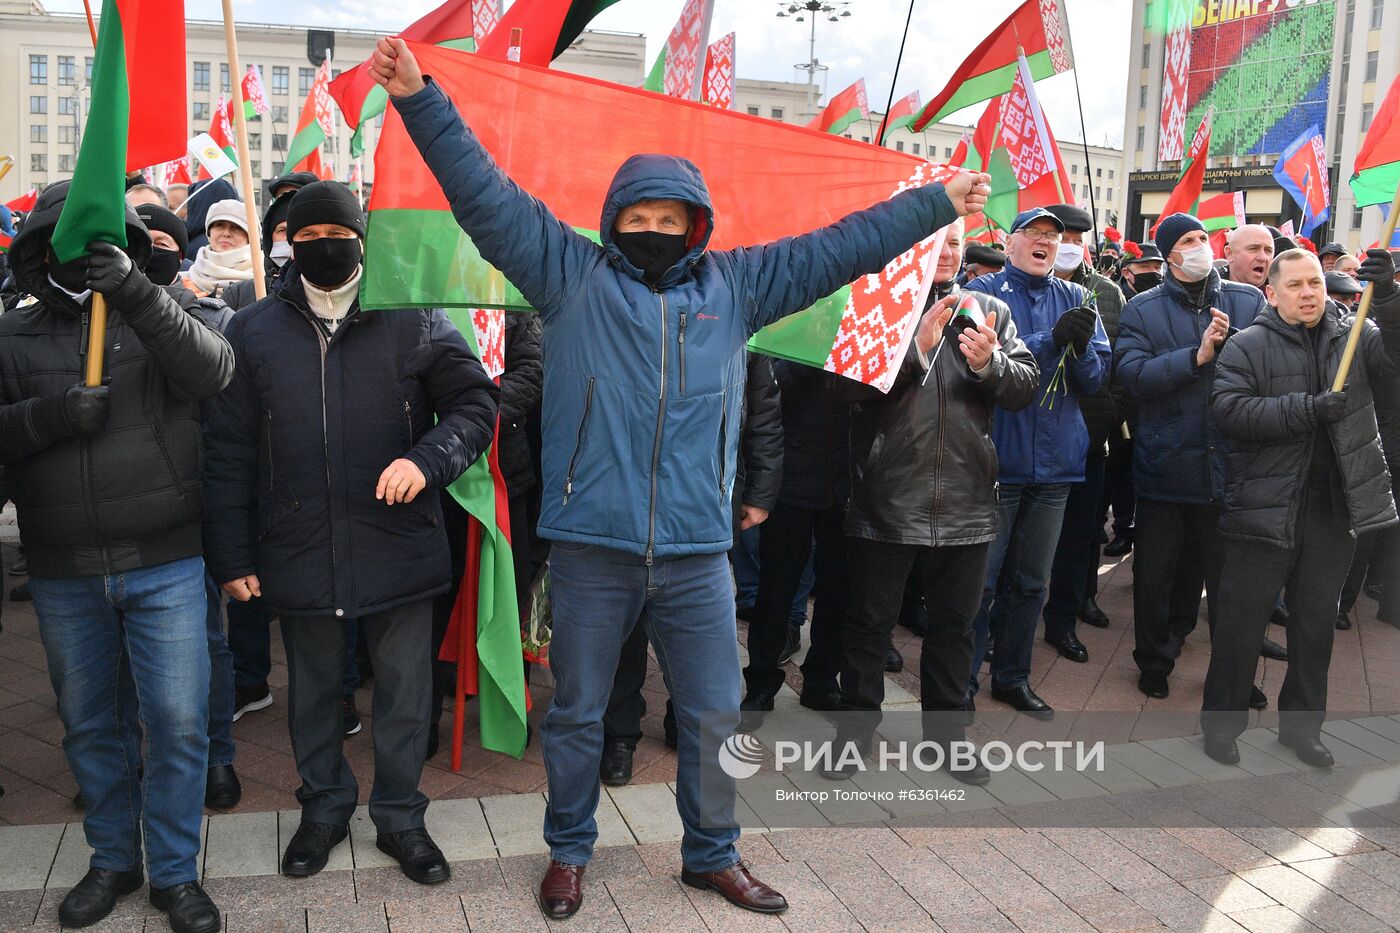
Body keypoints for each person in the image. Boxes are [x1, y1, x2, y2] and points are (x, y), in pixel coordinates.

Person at [369, 36, 987, 920]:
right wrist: (422, 99)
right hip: (592, 547)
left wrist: (933, 203)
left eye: (672, 218)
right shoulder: (568, 275)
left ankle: (712, 853)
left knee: (715, 717)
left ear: (697, 223)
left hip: (698, 553)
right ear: (614, 218)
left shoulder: (740, 286)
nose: (654, 231)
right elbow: (484, 197)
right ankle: (568, 853)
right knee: (579, 715)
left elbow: (843, 245)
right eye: (639, 217)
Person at [202, 181, 500, 886]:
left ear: (361, 237)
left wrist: (426, 461)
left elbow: (475, 403)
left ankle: (401, 816)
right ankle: (324, 810)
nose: (321, 247)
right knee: (310, 693)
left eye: (335, 232)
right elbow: (227, 451)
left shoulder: (414, 316)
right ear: (287, 245)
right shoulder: (250, 329)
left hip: (398, 542)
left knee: (402, 692)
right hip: (297, 543)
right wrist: (233, 553)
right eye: (305, 238)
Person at [0, 183, 233, 933]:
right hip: (64, 568)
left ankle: (172, 870)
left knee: (178, 721)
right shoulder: (12, 333)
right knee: (90, 724)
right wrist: (49, 414)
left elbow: (213, 371)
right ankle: (112, 858)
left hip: (165, 560)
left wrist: (136, 292)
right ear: (37, 251)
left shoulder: (160, 311)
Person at [836, 216, 1037, 782]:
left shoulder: (989, 310)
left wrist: (989, 364)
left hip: (968, 501)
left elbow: (1024, 386)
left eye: (953, 244)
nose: (945, 254)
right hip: (888, 495)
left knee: (956, 626)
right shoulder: (881, 304)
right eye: (933, 244)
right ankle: (854, 734)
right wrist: (915, 351)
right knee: (869, 624)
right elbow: (845, 391)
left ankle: (948, 740)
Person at [1201, 248, 1400, 766]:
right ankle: (1221, 728)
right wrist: (1307, 410)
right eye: (1296, 286)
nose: (1309, 293)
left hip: (1335, 509)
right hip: (1263, 507)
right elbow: (1231, 412)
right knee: (1241, 627)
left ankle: (1302, 729)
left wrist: (1393, 301)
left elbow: (1396, 368)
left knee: (1315, 628)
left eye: (1315, 283)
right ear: (1272, 293)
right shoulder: (1247, 345)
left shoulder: (1357, 337)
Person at [604, 353, 782, 784]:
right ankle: (619, 733)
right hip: (631, 489)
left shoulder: (736, 316)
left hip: (709, 495)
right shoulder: (627, 307)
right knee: (625, 624)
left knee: (700, 629)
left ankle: (682, 722)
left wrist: (760, 492)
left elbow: (763, 413)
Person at [964, 208, 1111, 719]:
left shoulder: (1076, 296)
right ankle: (960, 682)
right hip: (999, 462)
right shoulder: (984, 296)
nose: (1046, 242)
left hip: (1057, 465)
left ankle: (1012, 677)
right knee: (981, 582)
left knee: (1031, 581)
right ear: (1011, 243)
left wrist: (1078, 348)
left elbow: (1094, 380)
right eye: (1035, 234)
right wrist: (1052, 339)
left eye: (1054, 236)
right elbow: (986, 365)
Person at [1116, 213, 1268, 702]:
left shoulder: (1246, 300)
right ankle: (1155, 661)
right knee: (1157, 576)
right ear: (1170, 253)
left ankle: (1234, 677)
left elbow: (1270, 364)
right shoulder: (1142, 309)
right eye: (1188, 240)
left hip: (1230, 468)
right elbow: (1133, 376)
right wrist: (1195, 356)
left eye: (1205, 237)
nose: (1201, 246)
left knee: (1229, 584)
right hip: (1167, 466)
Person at [135, 202, 242, 809]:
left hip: (195, 501)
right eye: (143, 240)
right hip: (127, 507)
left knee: (207, 642)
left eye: (163, 240)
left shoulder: (215, 318)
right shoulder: (92, 317)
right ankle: (139, 758)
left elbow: (227, 407)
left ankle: (216, 754)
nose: (155, 250)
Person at [1042, 204, 1127, 660]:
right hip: (1035, 434)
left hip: (1090, 436)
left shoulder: (1107, 293)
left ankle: (1067, 614)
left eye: (1078, 237)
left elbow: (1120, 362)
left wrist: (1110, 414)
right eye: (1062, 237)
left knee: (1082, 531)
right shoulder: (1033, 289)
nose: (1070, 245)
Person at [222, 190, 296, 311]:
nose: (289, 238)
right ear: (269, 240)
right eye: (282, 230)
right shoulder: (237, 294)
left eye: (301, 232)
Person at [185, 200, 254, 298]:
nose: (226, 233)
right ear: (209, 232)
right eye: (219, 225)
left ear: (250, 237)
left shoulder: (265, 280)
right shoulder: (184, 280)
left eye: (237, 227)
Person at [1222, 224, 1275, 289]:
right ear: (1229, 254)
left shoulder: (1281, 296)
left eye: (1268, 250)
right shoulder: (1208, 294)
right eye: (1253, 249)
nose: (1262, 258)